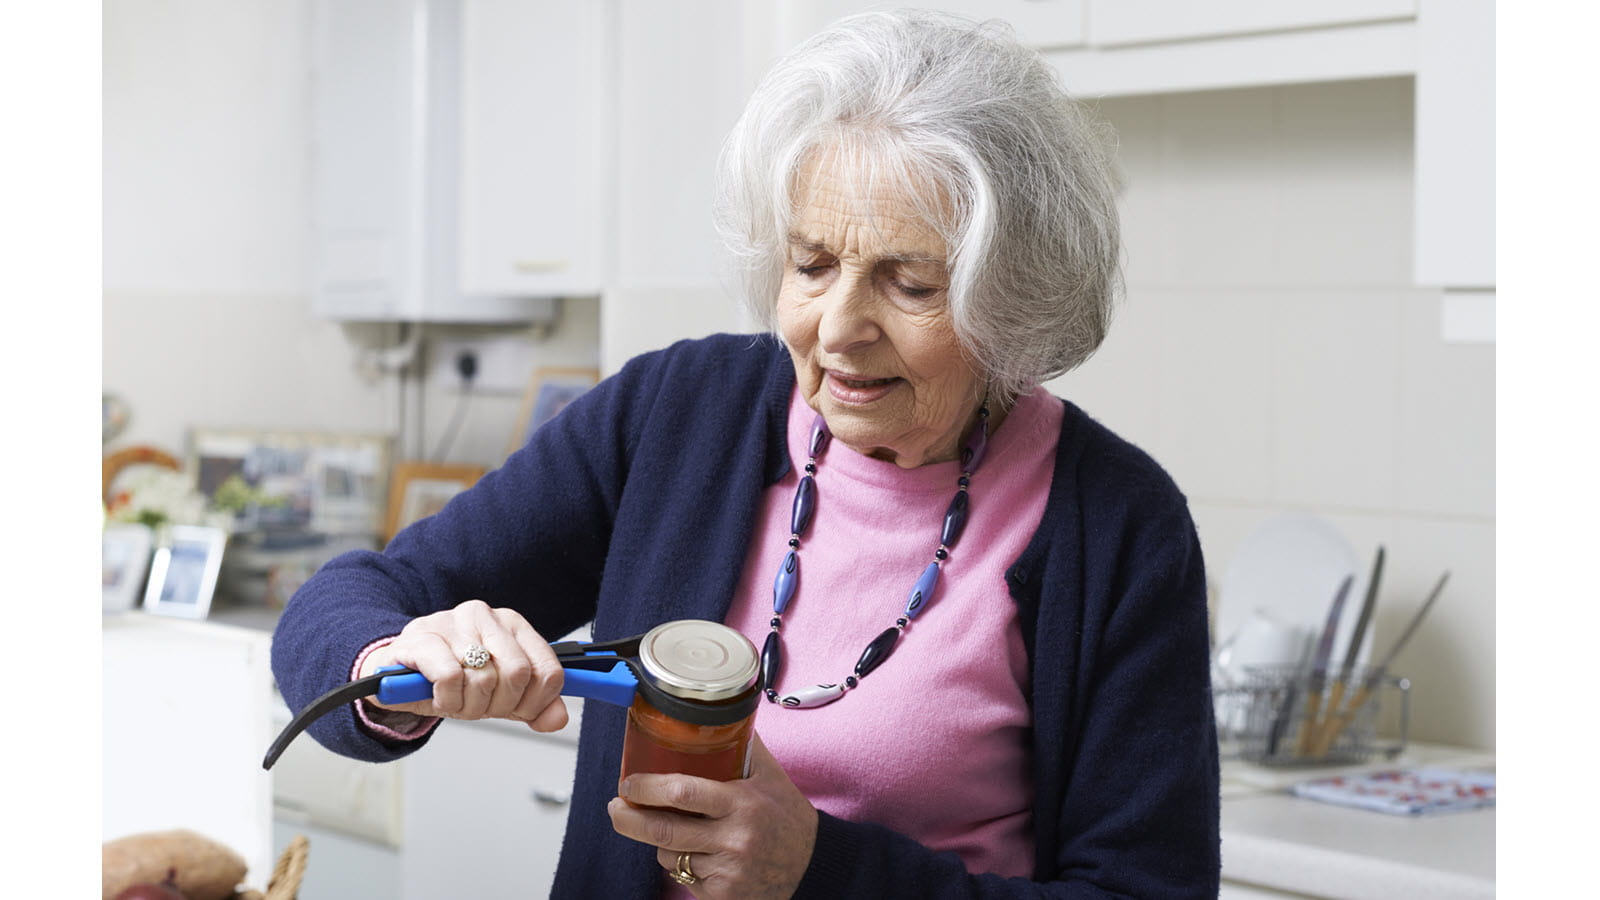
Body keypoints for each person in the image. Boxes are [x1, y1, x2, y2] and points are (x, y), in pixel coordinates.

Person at [271, 9, 1220, 898]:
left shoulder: (1117, 526)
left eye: (909, 282)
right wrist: (398, 659)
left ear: (1008, 295)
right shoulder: (677, 413)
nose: (841, 328)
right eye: (811, 265)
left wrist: (818, 869)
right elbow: (336, 607)